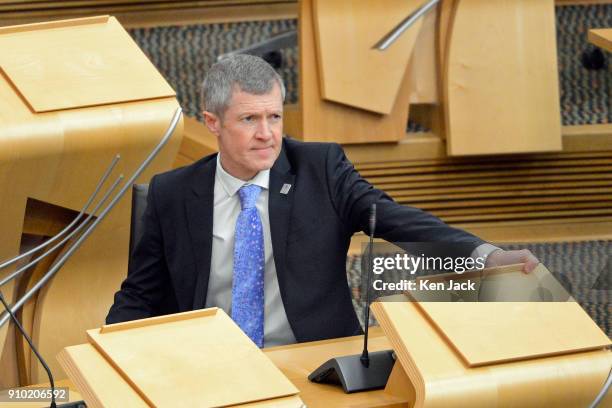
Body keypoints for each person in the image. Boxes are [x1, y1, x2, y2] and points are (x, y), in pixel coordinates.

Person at [106, 55, 539, 347]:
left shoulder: (320, 167)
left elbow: (395, 219)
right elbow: (140, 294)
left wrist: (485, 255)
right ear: (212, 123)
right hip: (211, 364)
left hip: (313, 357)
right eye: (249, 119)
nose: (267, 134)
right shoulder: (173, 193)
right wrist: (111, 357)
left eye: (274, 116)